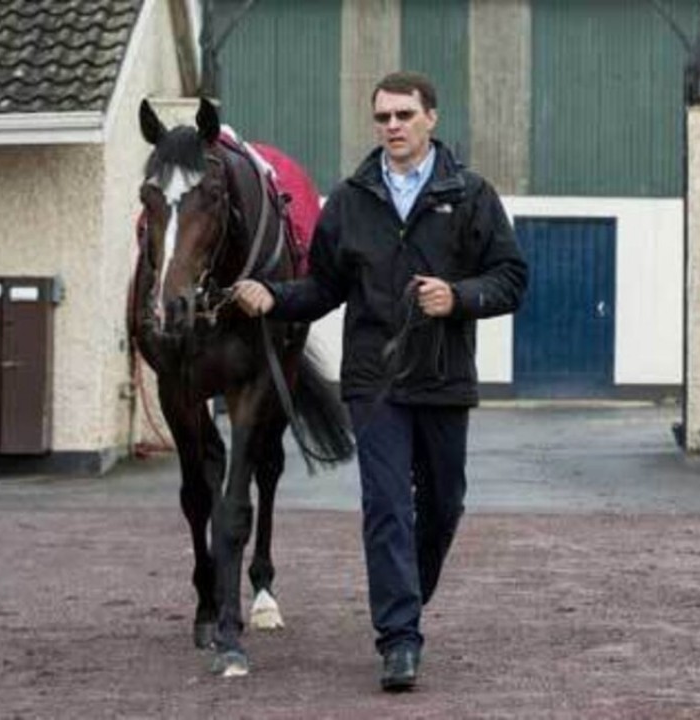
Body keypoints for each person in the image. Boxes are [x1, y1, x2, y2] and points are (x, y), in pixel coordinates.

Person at [231, 71, 527, 692]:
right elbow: (324, 288)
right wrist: (274, 297)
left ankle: (407, 600)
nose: (391, 126)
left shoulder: (470, 195)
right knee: (387, 507)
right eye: (382, 117)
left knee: (443, 506)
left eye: (403, 115)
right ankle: (399, 641)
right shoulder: (350, 200)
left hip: (444, 378)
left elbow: (511, 278)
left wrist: (461, 296)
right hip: (374, 384)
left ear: (431, 118)